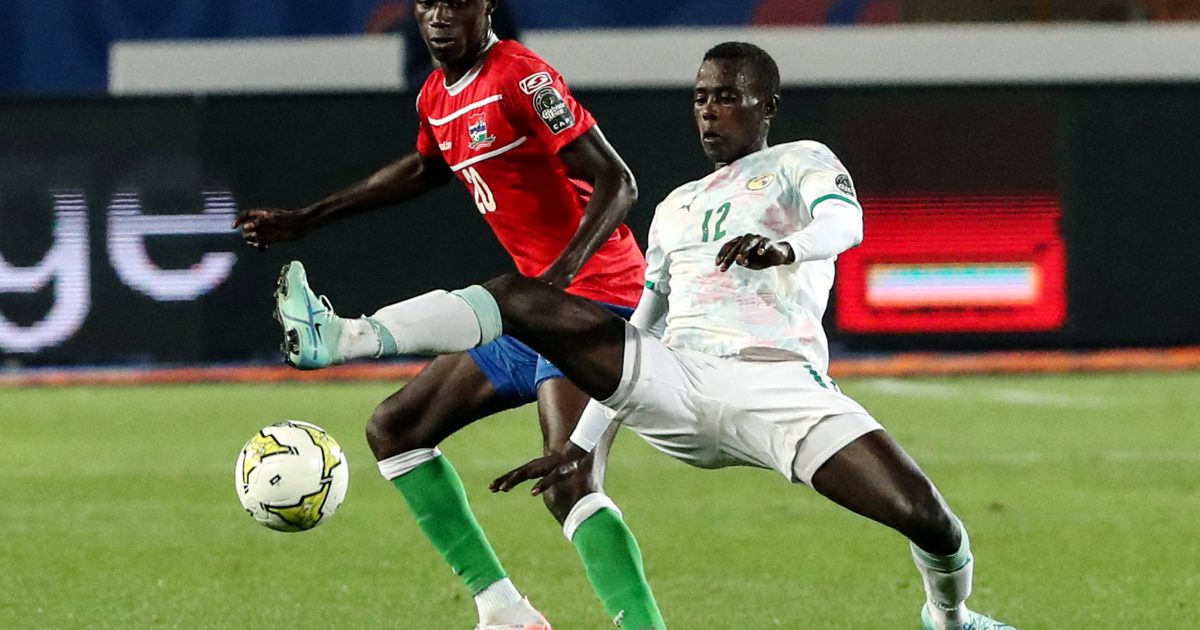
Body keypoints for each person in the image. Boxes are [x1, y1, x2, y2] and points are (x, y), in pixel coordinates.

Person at [269, 41, 1017, 629]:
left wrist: (786, 247)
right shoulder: (676, 209)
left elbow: (845, 223)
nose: (709, 111)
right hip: (679, 378)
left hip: (781, 390)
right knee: (519, 299)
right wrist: (582, 444)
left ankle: (947, 618)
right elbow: (648, 315)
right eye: (700, 98)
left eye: (727, 97)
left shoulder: (802, 162)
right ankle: (345, 338)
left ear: (767, 106)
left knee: (931, 520)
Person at [234, 1, 665, 628]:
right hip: (532, 312)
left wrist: (557, 284)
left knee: (569, 482)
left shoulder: (523, 76)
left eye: (456, 0)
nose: (440, 15)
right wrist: (309, 217)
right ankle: (503, 610)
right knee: (395, 428)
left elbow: (618, 182)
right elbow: (424, 167)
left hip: (598, 299)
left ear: (486, 5)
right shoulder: (437, 93)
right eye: (428, 2)